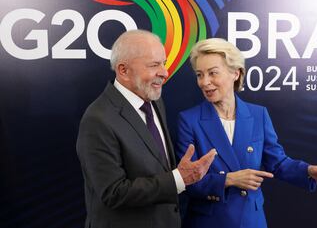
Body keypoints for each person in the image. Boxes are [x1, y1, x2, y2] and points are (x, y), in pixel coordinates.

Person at [176, 38, 317, 228]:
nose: (204, 82)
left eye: (212, 73)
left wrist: (308, 171)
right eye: (200, 75)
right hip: (208, 222)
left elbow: (277, 163)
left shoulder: (259, 115)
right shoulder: (189, 120)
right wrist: (229, 179)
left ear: (235, 73)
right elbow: (187, 182)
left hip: (251, 220)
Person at [76, 30, 217, 228]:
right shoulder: (98, 120)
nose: (165, 72)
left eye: (164, 63)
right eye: (154, 65)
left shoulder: (154, 100)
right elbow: (113, 192)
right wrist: (178, 178)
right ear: (123, 70)